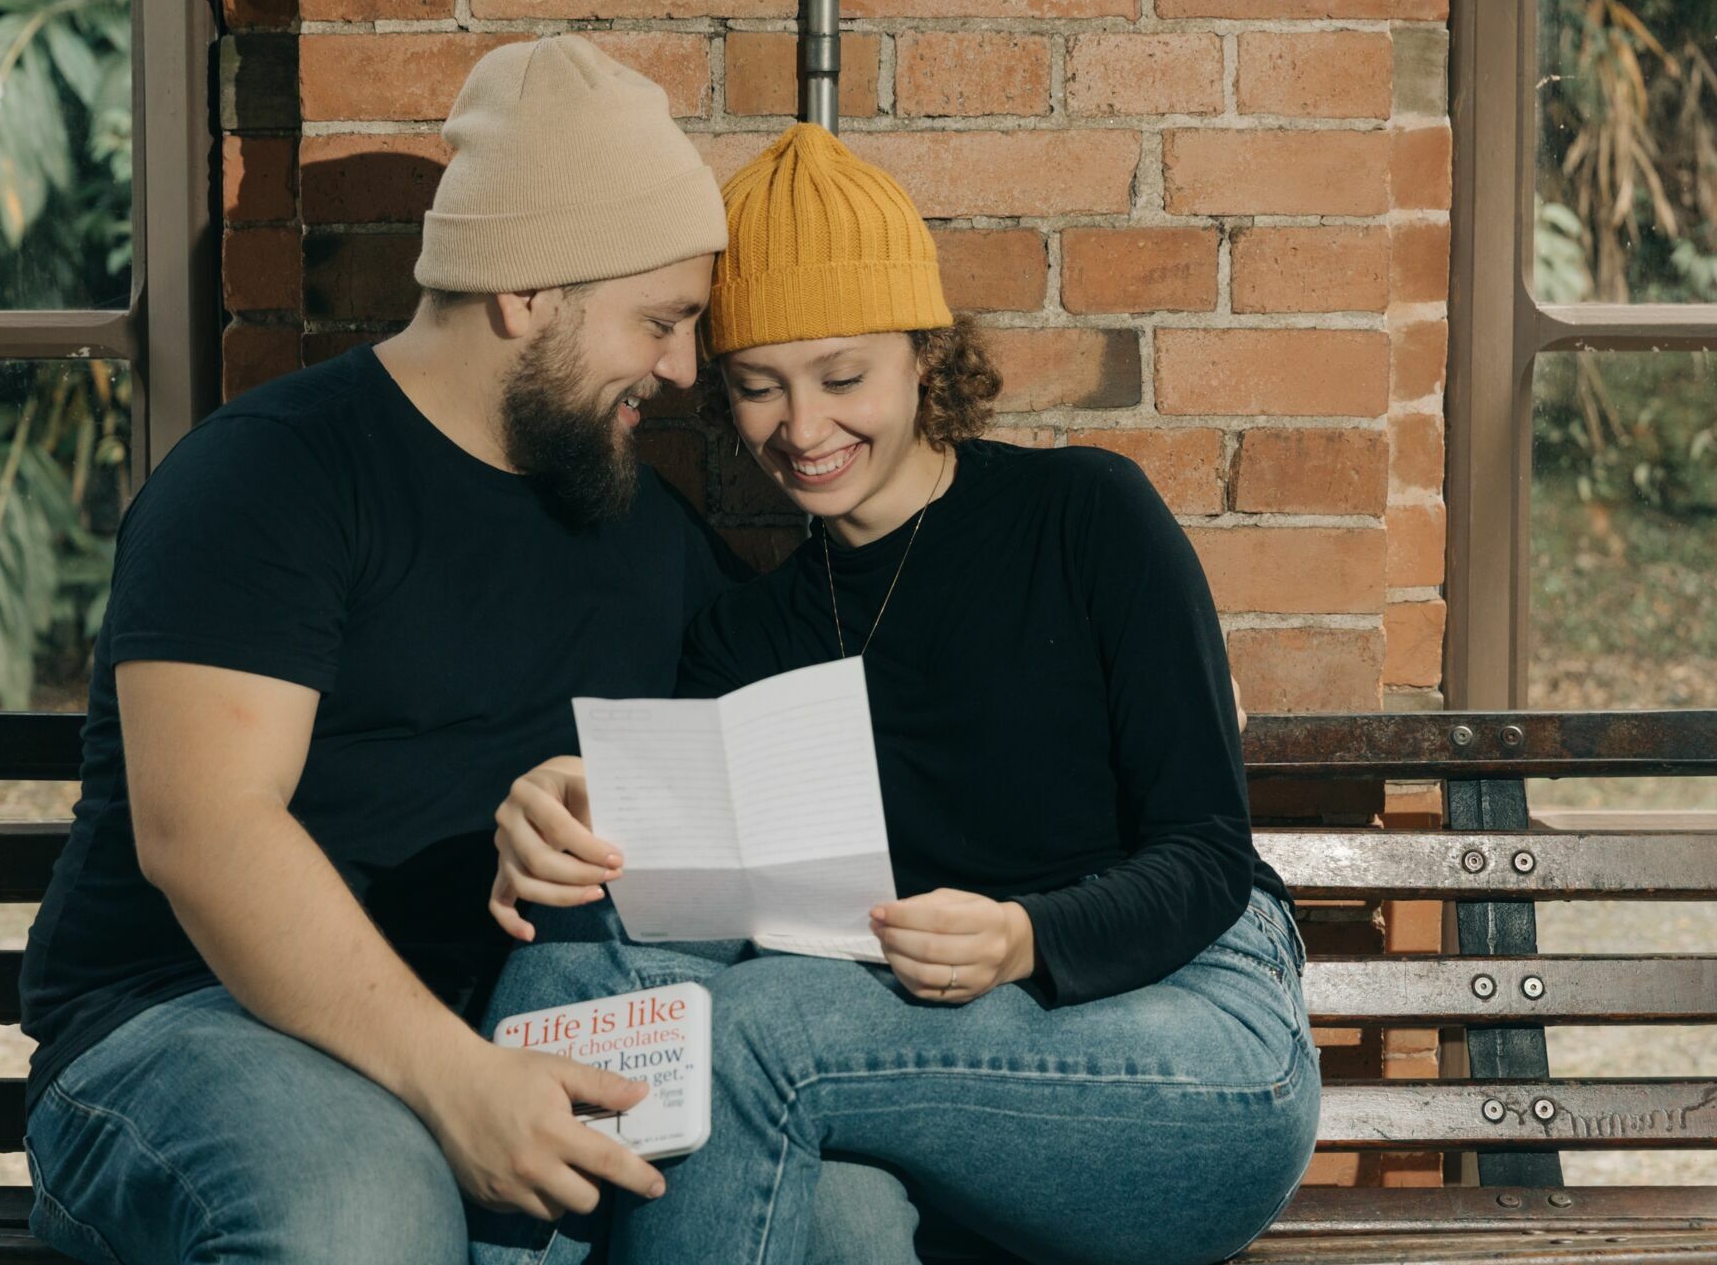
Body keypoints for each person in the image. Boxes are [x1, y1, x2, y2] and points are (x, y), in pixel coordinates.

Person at [16, 40, 913, 1265]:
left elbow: (786, 751)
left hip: (525, 1028)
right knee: (360, 1207)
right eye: (660, 319)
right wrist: (457, 1082)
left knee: (849, 1221)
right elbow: (206, 831)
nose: (683, 368)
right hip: (188, 1021)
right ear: (528, 290)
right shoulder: (269, 476)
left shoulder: (635, 520)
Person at [479, 123, 1318, 1265]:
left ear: (924, 352)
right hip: (909, 1062)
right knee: (588, 979)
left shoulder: (1085, 517)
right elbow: (682, 929)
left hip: (1191, 1037)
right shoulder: (741, 640)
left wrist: (1027, 935)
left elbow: (1210, 853)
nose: (805, 429)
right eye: (758, 387)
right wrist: (581, 816)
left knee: (744, 1034)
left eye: (843, 376)